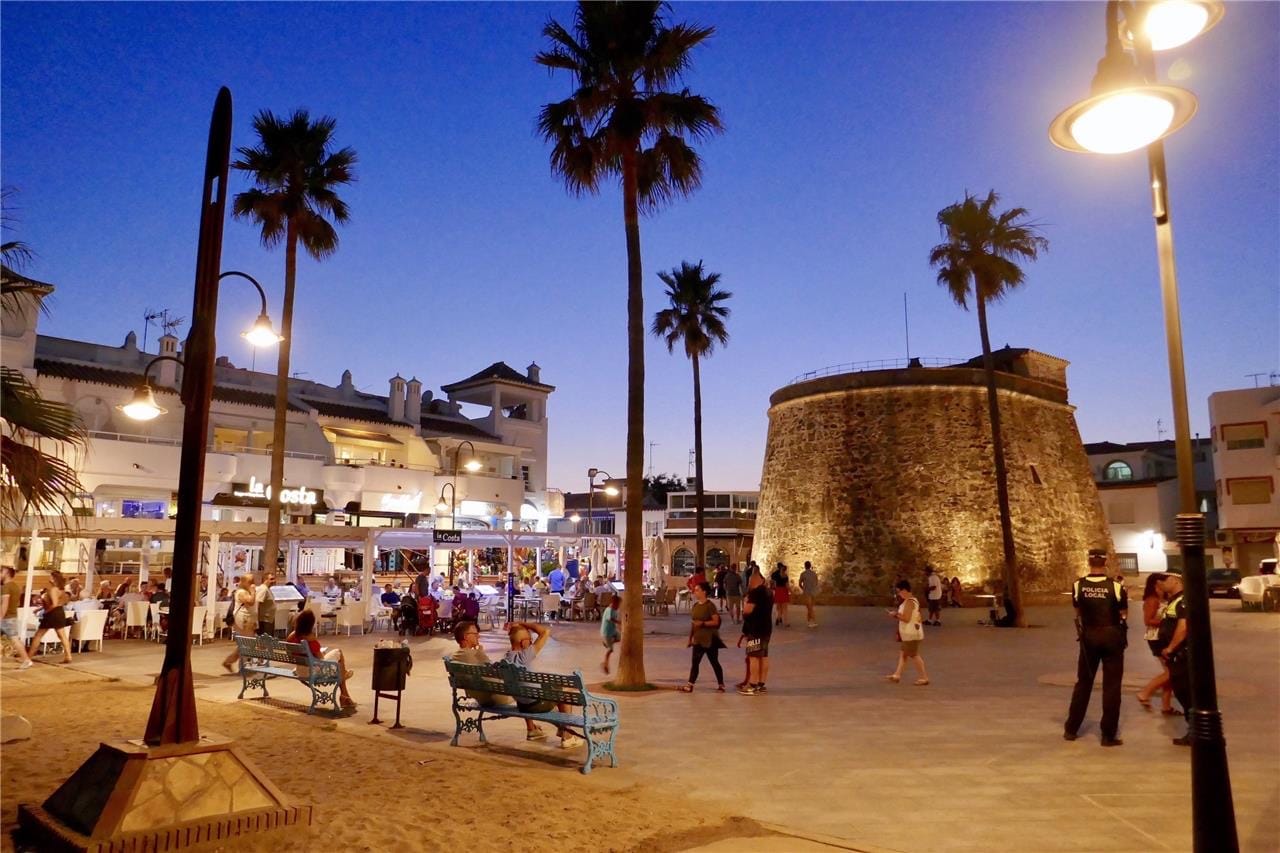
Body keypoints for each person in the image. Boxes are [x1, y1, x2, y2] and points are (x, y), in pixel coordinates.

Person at [1064, 549, 1127, 747]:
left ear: (1089, 561)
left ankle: (1071, 729)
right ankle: (1108, 735)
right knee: (1112, 686)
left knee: (1083, 682)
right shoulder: (1115, 586)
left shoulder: (1078, 585)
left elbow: (1077, 609)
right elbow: (1123, 613)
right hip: (1111, 636)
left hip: (1089, 637)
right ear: (1105, 562)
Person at [451, 620, 545, 739]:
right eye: (475, 634)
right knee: (522, 689)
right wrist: (480, 652)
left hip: (479, 697)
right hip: (494, 698)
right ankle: (533, 728)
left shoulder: (455, 657)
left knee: (518, 688)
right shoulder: (474, 655)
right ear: (466, 637)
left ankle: (532, 728)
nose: (478, 636)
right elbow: (494, 672)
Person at [503, 621, 584, 749]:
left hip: (522, 706)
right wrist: (524, 623)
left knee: (525, 689)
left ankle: (532, 729)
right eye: (530, 640)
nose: (531, 642)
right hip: (535, 705)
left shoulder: (506, 659)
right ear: (523, 642)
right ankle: (567, 735)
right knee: (564, 693)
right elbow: (545, 632)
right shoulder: (525, 656)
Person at [287, 609, 356, 711]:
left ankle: (344, 687)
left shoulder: (291, 637)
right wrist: (320, 652)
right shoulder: (311, 640)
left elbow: (291, 655)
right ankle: (344, 686)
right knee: (339, 653)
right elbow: (321, 660)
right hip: (313, 671)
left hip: (300, 671)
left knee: (337, 666)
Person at [1157, 573, 1192, 746]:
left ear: (1176, 580)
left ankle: (1195, 732)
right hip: (1176, 656)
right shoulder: (1174, 600)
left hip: (1182, 654)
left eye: (1165, 580)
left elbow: (1183, 627)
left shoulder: (1183, 600)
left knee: (1186, 692)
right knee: (1181, 691)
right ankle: (1193, 731)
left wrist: (1170, 647)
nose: (1162, 583)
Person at [1135, 573, 1176, 715]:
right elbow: (1148, 620)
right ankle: (1145, 692)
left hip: (1164, 636)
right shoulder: (1152, 600)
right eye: (1163, 581)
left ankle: (1166, 705)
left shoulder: (1163, 598)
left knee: (1169, 672)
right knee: (1172, 672)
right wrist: (1169, 622)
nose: (1166, 583)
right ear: (1157, 583)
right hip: (1157, 637)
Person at [679, 582, 726, 693]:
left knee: (714, 662)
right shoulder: (695, 606)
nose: (695, 592)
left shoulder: (710, 606)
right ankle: (690, 685)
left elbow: (715, 621)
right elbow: (693, 623)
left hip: (710, 639)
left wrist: (703, 624)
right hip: (698, 639)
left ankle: (721, 684)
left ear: (704, 592)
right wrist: (690, 638)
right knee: (695, 663)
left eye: (697, 590)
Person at [885, 579, 928, 685]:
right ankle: (897, 675)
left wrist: (895, 614)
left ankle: (924, 677)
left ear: (904, 590)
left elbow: (906, 618)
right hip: (910, 632)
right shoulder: (912, 601)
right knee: (903, 654)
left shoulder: (909, 602)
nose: (899, 594)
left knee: (914, 655)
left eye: (899, 591)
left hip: (911, 633)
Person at [738, 568, 773, 695]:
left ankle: (752, 685)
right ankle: (761, 684)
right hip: (766, 629)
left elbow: (747, 611)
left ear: (754, 581)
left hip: (755, 629)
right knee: (763, 656)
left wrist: (745, 607)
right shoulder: (769, 592)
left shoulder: (755, 593)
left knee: (753, 657)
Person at [27, 570, 73, 664]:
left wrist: (46, 611)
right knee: (62, 636)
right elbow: (61, 602)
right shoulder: (62, 590)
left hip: (52, 613)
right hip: (60, 612)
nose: (49, 578)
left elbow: (54, 604)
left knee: (38, 635)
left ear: (54, 579)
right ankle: (68, 655)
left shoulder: (53, 589)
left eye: (51, 577)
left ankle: (29, 657)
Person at [221, 574, 258, 672]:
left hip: (249, 620)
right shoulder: (241, 592)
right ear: (245, 582)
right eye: (250, 581)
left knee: (246, 643)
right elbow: (250, 602)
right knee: (247, 643)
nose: (253, 583)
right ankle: (243, 667)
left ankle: (229, 661)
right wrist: (253, 591)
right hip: (243, 620)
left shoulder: (246, 591)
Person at [1, 566, 34, 669]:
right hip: (12, 616)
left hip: (5, 618)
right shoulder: (15, 586)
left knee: (15, 640)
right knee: (15, 639)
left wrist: (1, 616)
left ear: (6, 573)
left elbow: (5, 603)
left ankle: (26, 660)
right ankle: (26, 660)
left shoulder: (6, 587)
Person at [600, 594, 621, 674]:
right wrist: (619, 623)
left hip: (612, 631)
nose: (618, 606)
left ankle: (608, 643)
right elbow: (611, 619)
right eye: (617, 604)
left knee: (619, 638)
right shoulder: (610, 609)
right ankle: (605, 663)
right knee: (610, 650)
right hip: (607, 632)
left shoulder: (615, 610)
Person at [799, 561, 819, 628]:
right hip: (813, 592)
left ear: (805, 566)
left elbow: (800, 583)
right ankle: (809, 621)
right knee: (810, 607)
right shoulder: (814, 573)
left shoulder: (803, 574)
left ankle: (812, 621)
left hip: (807, 592)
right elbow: (816, 582)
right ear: (810, 566)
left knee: (809, 608)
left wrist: (803, 589)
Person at [770, 562, 791, 628]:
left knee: (778, 607)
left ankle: (778, 618)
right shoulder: (785, 576)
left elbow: (772, 582)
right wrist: (791, 591)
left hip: (778, 590)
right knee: (785, 608)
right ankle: (786, 622)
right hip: (784, 591)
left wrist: (772, 587)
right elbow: (787, 585)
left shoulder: (775, 575)